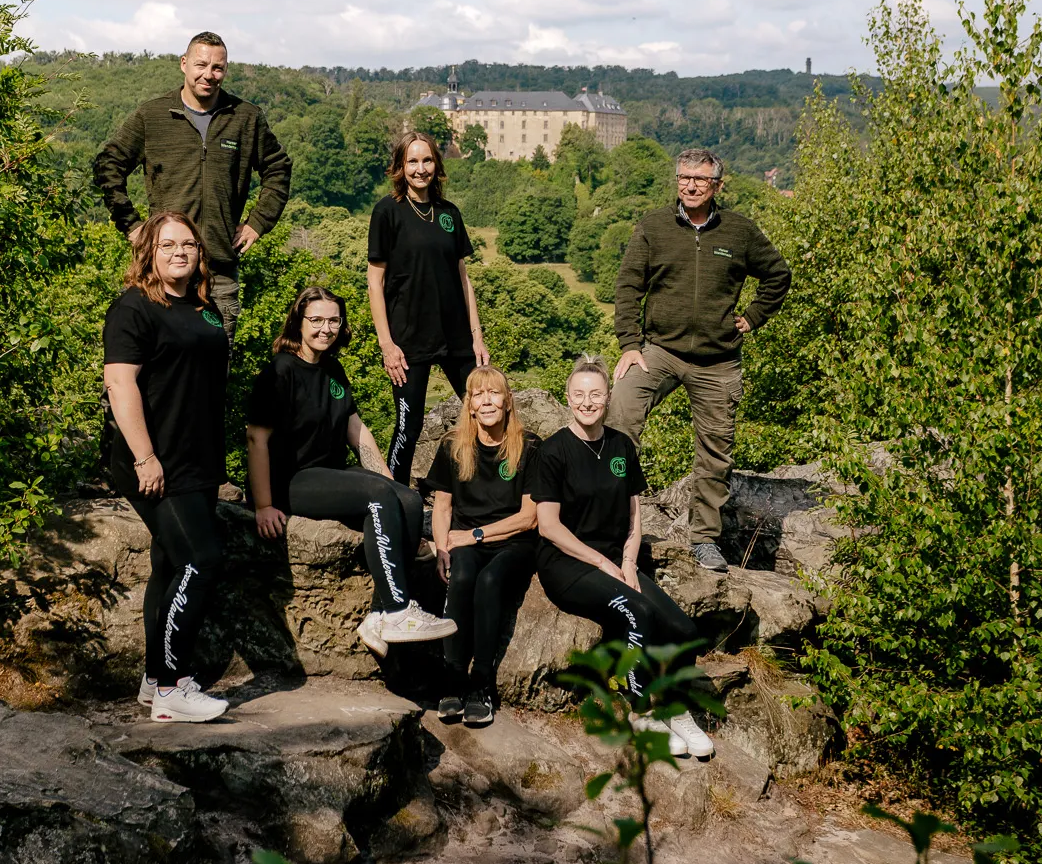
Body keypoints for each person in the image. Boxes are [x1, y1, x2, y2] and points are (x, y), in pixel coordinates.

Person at [245, 287, 456, 657]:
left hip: (329, 473)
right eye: (316, 320)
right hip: (290, 480)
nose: (325, 328)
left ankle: (376, 615)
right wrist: (263, 505)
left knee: (405, 500)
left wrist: (393, 487)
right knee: (377, 499)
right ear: (298, 321)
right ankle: (396, 609)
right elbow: (255, 439)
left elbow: (358, 434)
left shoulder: (333, 369)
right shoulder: (279, 372)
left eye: (333, 320)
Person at [609, 149, 790, 573]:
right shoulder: (654, 225)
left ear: (717, 186)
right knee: (619, 419)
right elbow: (629, 285)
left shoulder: (740, 232)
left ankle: (704, 540)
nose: (690, 185)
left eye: (700, 180)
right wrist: (629, 344)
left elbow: (778, 275)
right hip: (659, 351)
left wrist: (754, 317)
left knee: (715, 453)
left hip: (718, 361)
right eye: (684, 177)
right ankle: (611, 522)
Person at [531, 356, 713, 759]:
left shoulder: (620, 445)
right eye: (579, 394)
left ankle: (675, 707)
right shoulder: (553, 451)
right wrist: (601, 563)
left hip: (616, 561)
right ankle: (641, 710)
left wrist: (629, 561)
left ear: (608, 398)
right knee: (638, 613)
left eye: (595, 394)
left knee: (683, 629)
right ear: (568, 398)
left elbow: (634, 513)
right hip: (568, 565)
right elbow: (548, 526)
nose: (587, 401)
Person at [102, 211, 233, 722]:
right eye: (168, 244)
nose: (180, 252)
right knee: (202, 559)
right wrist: (145, 456)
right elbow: (121, 384)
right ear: (149, 253)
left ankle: (155, 677)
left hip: (196, 462)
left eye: (189, 245)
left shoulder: (205, 310)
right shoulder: (134, 307)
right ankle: (174, 688)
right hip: (154, 463)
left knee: (169, 563)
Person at [93, 31, 293, 334]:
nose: (209, 75)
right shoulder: (153, 115)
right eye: (201, 65)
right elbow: (108, 165)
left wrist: (258, 222)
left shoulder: (245, 118)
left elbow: (278, 168)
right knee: (155, 369)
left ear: (225, 70)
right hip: (161, 271)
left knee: (213, 373)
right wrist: (132, 226)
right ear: (184, 64)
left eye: (218, 68)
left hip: (218, 274)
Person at [368, 130, 489, 482]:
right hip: (407, 340)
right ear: (400, 167)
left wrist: (476, 337)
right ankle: (394, 502)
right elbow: (375, 282)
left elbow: (463, 278)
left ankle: (486, 494)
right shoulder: (387, 212)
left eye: (427, 160)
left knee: (487, 409)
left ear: (437, 165)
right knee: (409, 427)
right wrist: (387, 344)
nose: (420, 169)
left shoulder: (449, 213)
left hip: (456, 339)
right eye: (412, 161)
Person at [428, 366, 540, 727]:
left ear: (508, 402)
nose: (487, 400)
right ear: (470, 405)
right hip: (463, 540)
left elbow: (529, 518)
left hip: (514, 542)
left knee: (490, 582)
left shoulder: (530, 446)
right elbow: (442, 506)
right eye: (479, 394)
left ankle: (482, 685)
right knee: (461, 580)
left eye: (494, 393)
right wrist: (442, 548)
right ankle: (453, 679)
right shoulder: (452, 446)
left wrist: (475, 535)